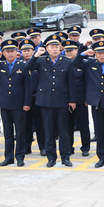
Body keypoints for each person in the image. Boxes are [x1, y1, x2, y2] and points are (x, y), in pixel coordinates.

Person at [25, 34, 76, 167]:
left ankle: (65, 157)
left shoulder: (67, 61)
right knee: (48, 131)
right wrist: (36, 55)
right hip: (46, 101)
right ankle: (51, 158)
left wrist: (72, 100)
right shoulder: (41, 61)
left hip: (62, 100)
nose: (54, 49)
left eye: (56, 47)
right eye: (51, 47)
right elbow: (27, 67)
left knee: (63, 131)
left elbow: (71, 82)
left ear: (60, 48)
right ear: (46, 48)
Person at [0, 39, 31, 167]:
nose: (10, 54)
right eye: (7, 52)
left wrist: (27, 103)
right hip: (4, 104)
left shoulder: (23, 65)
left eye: (12, 51)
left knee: (20, 132)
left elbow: (28, 86)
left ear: (17, 52)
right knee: (8, 133)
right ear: (3, 53)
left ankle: (20, 156)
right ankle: (9, 157)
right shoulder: (0, 65)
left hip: (19, 104)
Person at [64, 39, 90, 157]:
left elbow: (88, 82)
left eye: (71, 50)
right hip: (66, 100)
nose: (68, 53)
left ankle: (85, 147)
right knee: (68, 126)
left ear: (77, 50)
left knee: (83, 125)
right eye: (66, 51)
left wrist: (86, 98)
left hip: (81, 99)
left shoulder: (83, 63)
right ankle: (69, 147)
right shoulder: (62, 62)